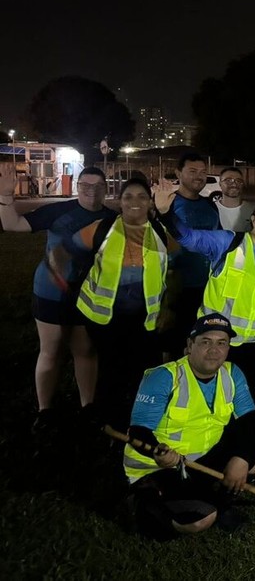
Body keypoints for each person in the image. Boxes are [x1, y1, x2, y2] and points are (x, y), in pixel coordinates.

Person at [156, 183, 255, 416]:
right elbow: (188, 238)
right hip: (219, 340)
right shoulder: (227, 243)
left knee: (248, 401)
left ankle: (245, 443)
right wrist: (166, 213)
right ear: (254, 219)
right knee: (209, 400)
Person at [124, 313, 255, 538]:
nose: (214, 350)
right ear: (189, 345)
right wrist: (159, 453)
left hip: (199, 460)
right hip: (161, 468)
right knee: (200, 520)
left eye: (221, 343)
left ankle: (215, 498)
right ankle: (141, 505)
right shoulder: (165, 377)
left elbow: (249, 420)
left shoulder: (232, 373)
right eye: (206, 342)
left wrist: (241, 459)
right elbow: (138, 431)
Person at [52, 178, 180, 430]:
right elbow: (61, 253)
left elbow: (175, 270)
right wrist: (63, 285)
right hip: (104, 319)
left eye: (142, 196)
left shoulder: (160, 233)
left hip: (146, 319)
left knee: (141, 371)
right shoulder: (102, 228)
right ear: (119, 202)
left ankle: (138, 421)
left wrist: (168, 307)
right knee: (110, 369)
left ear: (150, 201)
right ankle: (109, 421)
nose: (135, 202)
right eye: (128, 196)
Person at [0, 164, 116, 430]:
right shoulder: (57, 210)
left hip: (88, 295)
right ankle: (45, 410)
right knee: (50, 351)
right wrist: (6, 196)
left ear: (106, 189)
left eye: (98, 187)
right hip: (51, 291)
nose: (92, 192)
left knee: (85, 350)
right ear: (78, 187)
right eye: (86, 186)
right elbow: (12, 224)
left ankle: (88, 406)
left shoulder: (113, 219)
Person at [159, 152, 220, 359]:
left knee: (200, 342)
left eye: (203, 172)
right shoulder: (166, 204)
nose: (199, 176)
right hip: (175, 287)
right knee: (173, 345)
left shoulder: (210, 205)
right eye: (192, 171)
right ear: (179, 173)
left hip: (206, 286)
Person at [214, 166, 254, 233]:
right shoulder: (211, 209)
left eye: (238, 181)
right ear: (220, 184)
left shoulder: (253, 210)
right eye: (228, 180)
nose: (234, 184)